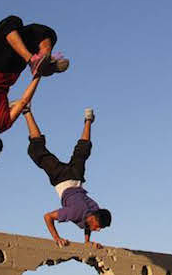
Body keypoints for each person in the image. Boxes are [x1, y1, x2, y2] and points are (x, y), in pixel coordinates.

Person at [0, 15, 69, 163]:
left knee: (42, 33)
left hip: (14, 71)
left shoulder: (3, 125)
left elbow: (24, 101)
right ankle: (34, 60)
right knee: (10, 23)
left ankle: (44, 56)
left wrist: (38, 76)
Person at [23, 106, 112, 248]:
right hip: (61, 178)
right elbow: (48, 217)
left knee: (82, 151)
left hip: (77, 177)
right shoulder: (74, 213)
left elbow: (87, 223)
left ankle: (88, 119)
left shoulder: (95, 208)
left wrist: (87, 241)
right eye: (98, 226)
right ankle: (26, 111)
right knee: (38, 151)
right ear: (94, 218)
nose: (98, 229)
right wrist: (57, 238)